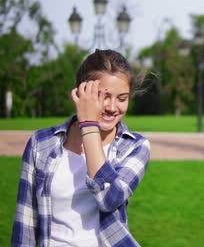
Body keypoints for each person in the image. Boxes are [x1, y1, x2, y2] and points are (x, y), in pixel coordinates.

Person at [11, 49, 150, 246]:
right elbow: (25, 223)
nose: (112, 107)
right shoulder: (40, 143)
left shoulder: (135, 146)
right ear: (80, 93)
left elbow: (109, 198)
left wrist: (88, 126)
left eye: (122, 98)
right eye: (104, 96)